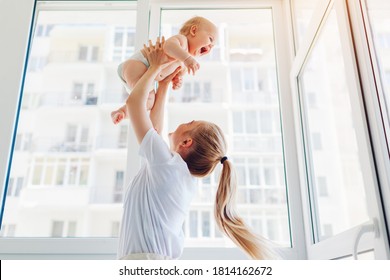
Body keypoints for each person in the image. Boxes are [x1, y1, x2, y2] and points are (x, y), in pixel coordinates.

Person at [117, 37, 278, 260]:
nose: (185, 123)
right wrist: (163, 85)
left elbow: (136, 104)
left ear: (186, 143)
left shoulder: (167, 167)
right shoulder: (176, 173)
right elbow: (154, 128)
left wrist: (154, 68)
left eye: (191, 123)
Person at [111, 16, 218, 124]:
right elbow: (168, 46)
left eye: (212, 47)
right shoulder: (182, 41)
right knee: (140, 96)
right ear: (193, 30)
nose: (210, 47)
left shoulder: (184, 63)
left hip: (147, 77)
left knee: (149, 102)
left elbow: (174, 75)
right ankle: (132, 108)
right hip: (138, 64)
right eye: (210, 39)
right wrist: (187, 58)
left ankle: (122, 112)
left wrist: (177, 80)